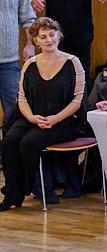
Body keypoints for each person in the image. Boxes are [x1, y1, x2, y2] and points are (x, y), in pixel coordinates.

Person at [0, 18, 85, 211]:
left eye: (52, 34)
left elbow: (77, 101)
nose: (49, 40)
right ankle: (13, 195)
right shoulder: (29, 64)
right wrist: (31, 117)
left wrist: (55, 118)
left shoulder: (73, 62)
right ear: (36, 41)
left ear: (59, 36)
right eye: (43, 36)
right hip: (33, 117)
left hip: (64, 121)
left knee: (29, 142)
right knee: (10, 140)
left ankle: (24, 189)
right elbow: (21, 99)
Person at [0, 0, 36, 125]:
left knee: (13, 113)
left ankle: (9, 154)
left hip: (9, 62)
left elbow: (28, 17)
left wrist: (30, 44)